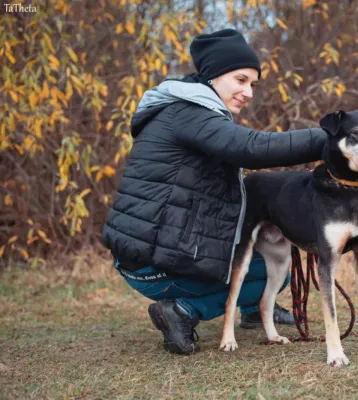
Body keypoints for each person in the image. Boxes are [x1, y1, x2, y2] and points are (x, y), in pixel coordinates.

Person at [102, 29, 327, 355]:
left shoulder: (190, 113)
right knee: (269, 270)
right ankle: (181, 310)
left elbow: (233, 191)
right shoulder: (187, 113)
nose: (248, 92)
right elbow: (251, 148)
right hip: (151, 265)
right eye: (240, 80)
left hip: (148, 254)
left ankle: (253, 310)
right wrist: (331, 137)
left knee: (267, 259)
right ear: (213, 75)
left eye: (252, 84)